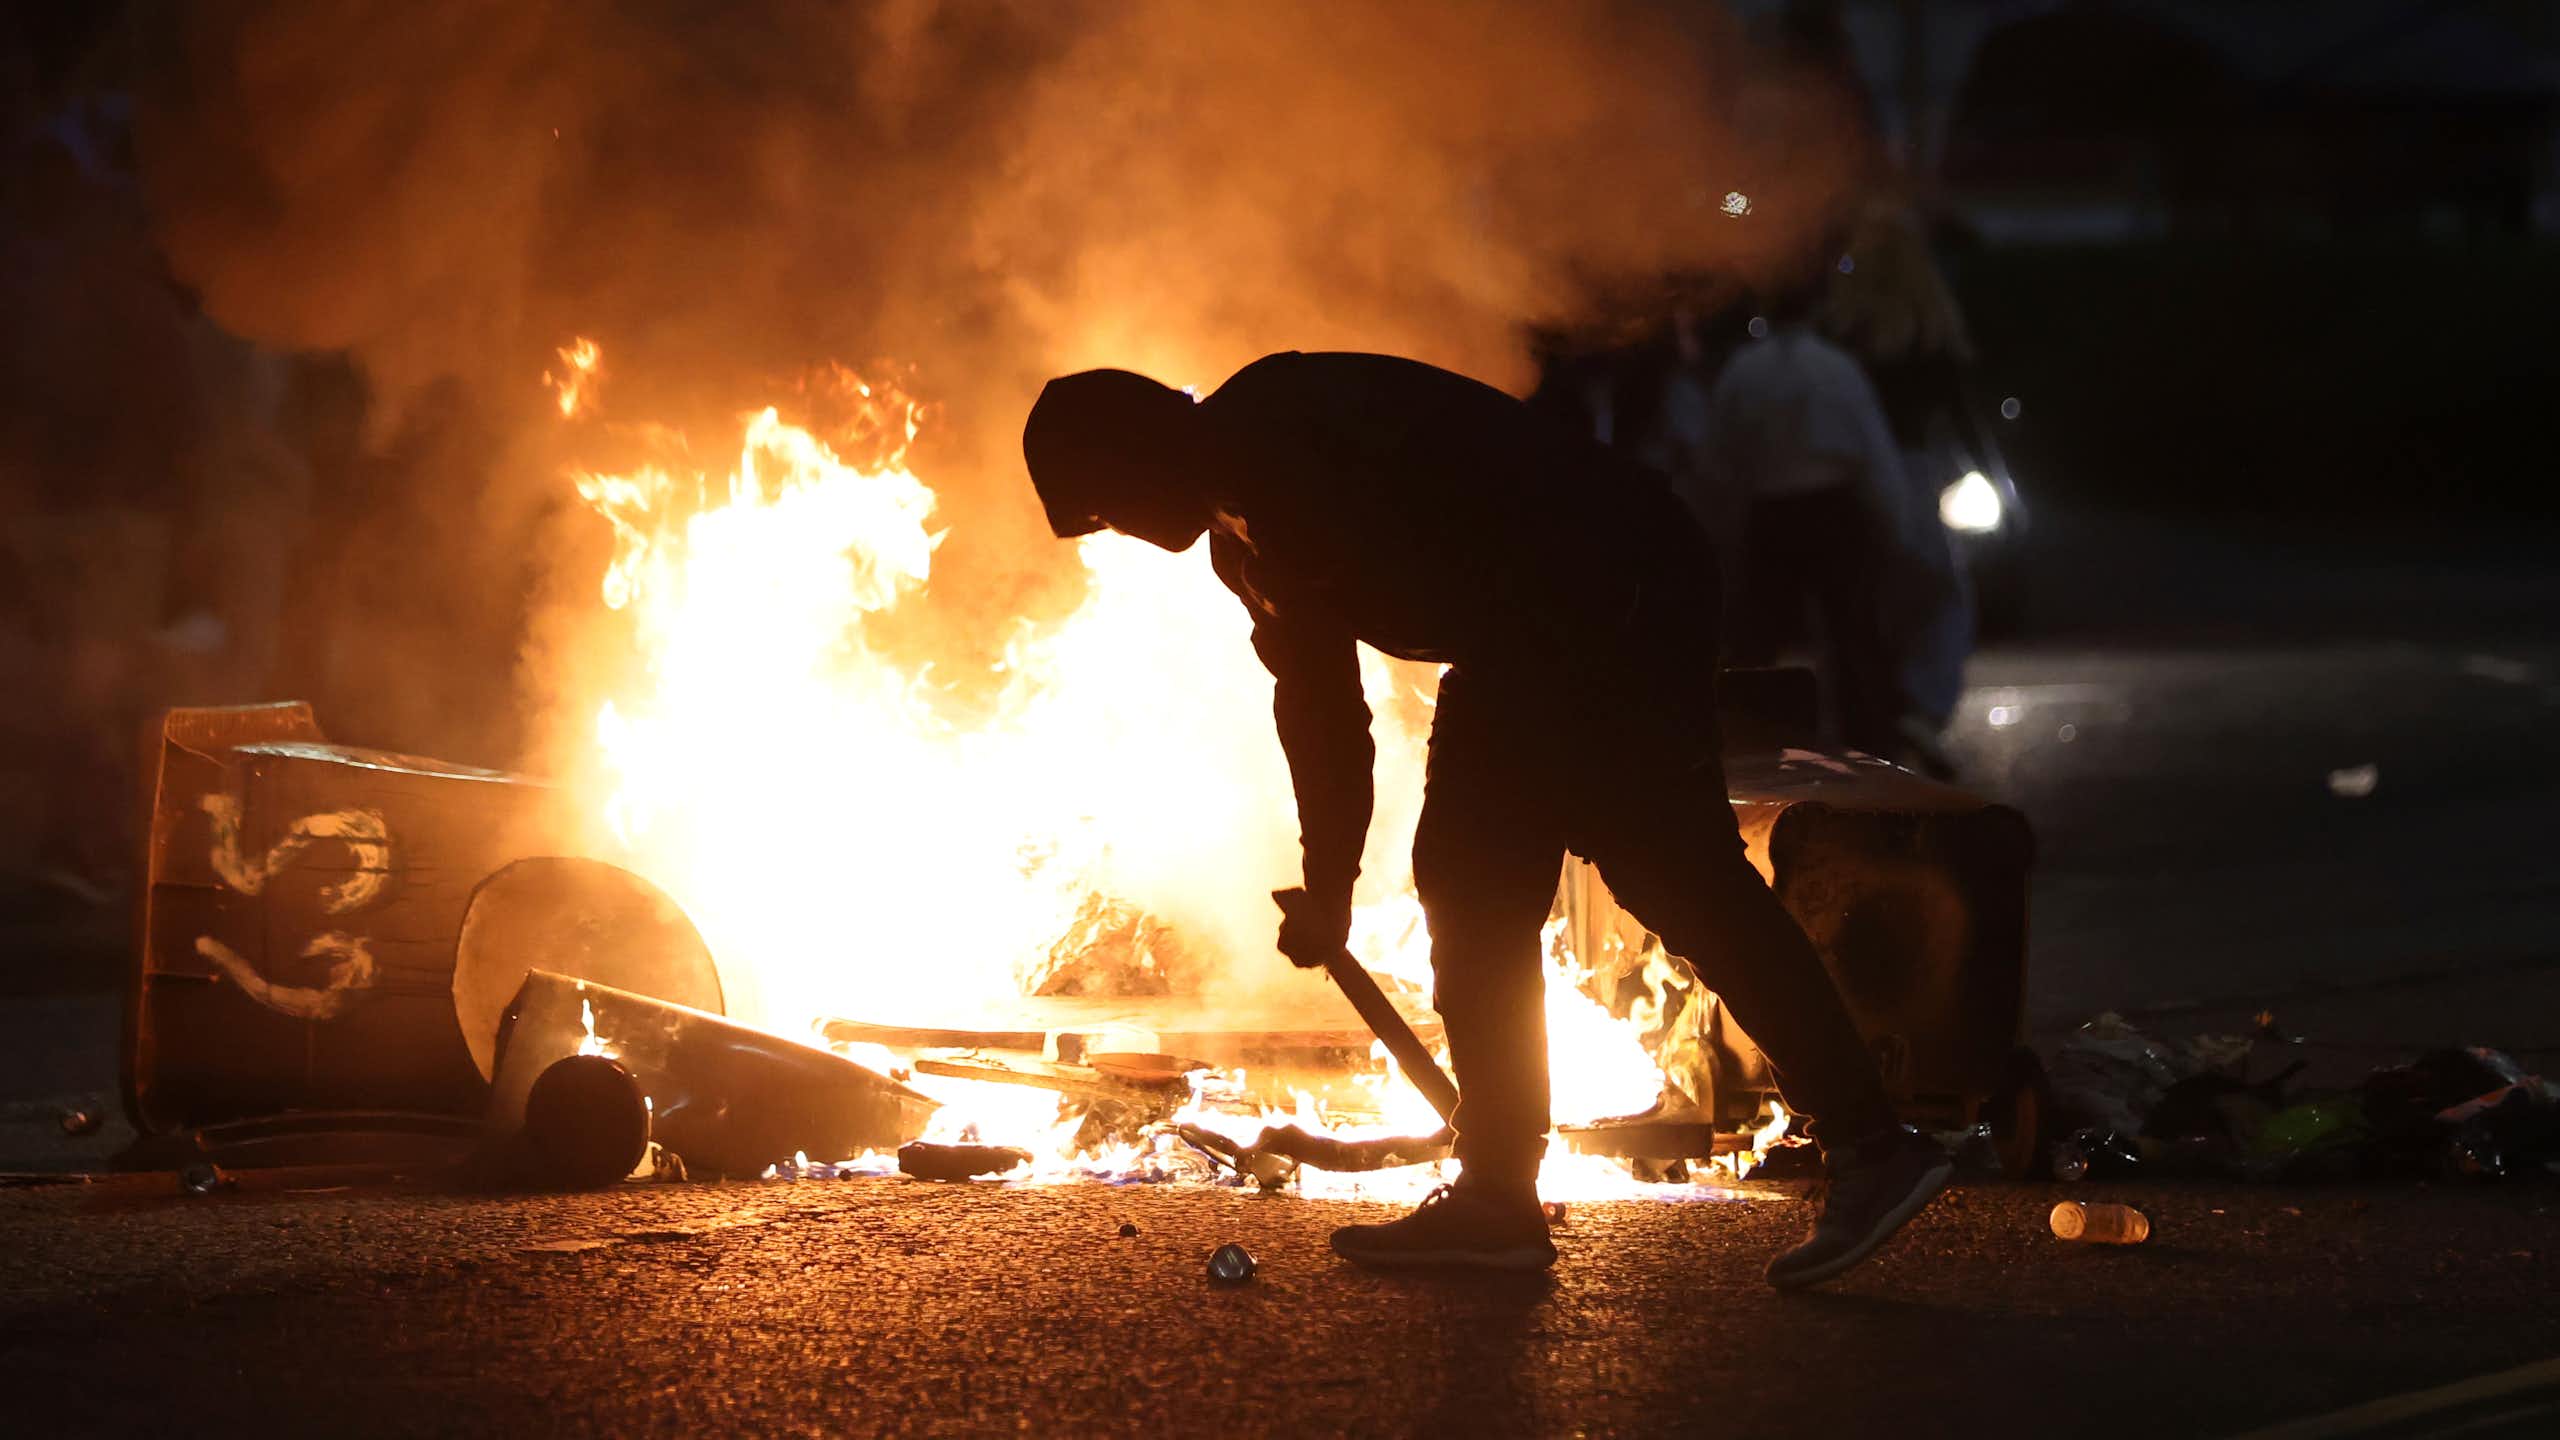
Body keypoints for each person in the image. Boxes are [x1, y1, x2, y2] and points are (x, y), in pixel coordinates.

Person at [1022, 352, 1950, 1285]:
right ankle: (1521, 1192)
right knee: (1540, 883)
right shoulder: (1242, 539)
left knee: (1611, 877)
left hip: (1607, 589)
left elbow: (1497, 524)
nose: (1125, 535)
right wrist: (1332, 885)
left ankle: (1847, 1150)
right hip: (1536, 630)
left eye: (1107, 509)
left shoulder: (1282, 427)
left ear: (1135, 451)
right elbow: (1320, 708)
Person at [1691, 292, 1914, 761]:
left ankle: (1748, 740)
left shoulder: (1743, 370)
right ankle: (1865, 743)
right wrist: (1895, 525)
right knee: (1851, 634)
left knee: (1758, 638)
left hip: (1773, 511)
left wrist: (1718, 529)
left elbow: (1719, 462)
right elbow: (1874, 455)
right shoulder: (1836, 368)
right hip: (1832, 510)